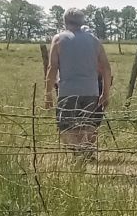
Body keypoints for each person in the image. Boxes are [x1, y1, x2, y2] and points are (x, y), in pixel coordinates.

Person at [45, 9, 114, 160]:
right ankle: (85, 152)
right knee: (88, 124)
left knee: (66, 126)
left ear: (65, 21)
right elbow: (106, 68)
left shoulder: (58, 39)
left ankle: (79, 152)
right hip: (91, 91)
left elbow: (52, 68)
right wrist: (105, 93)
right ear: (82, 22)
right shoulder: (94, 40)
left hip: (68, 91)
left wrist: (48, 93)